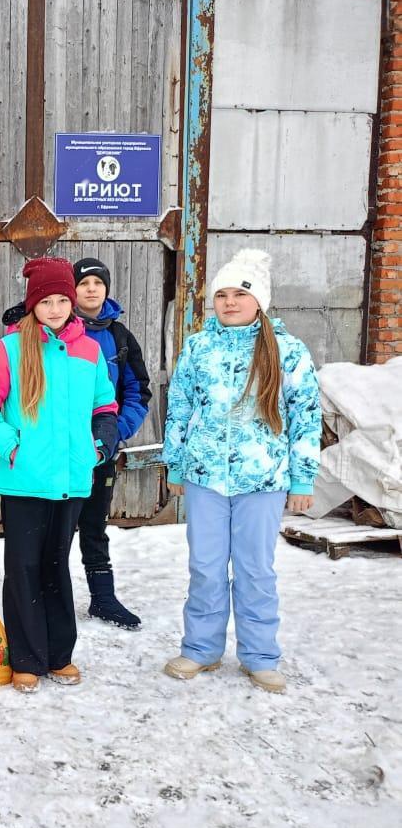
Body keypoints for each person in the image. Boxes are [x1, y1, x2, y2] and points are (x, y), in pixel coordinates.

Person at [162, 249, 321, 694]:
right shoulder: (197, 347)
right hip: (204, 478)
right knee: (206, 567)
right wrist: (176, 463)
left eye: (240, 294)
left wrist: (303, 477)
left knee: (255, 569)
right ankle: (201, 649)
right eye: (222, 295)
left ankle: (260, 655)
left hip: (263, 479)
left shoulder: (288, 351)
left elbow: (306, 415)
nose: (230, 302)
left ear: (259, 301)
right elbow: (179, 408)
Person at [0, 257, 118, 693]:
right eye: (46, 301)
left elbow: (104, 408)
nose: (54, 309)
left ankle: (59, 655)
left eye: (61, 300)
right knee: (24, 568)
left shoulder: (89, 350)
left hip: (73, 482)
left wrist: (97, 448)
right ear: (32, 304)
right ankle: (27, 658)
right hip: (25, 481)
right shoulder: (11, 349)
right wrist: (15, 447)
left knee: (58, 566)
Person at [69, 257, 152, 629]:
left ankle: (103, 598)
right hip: (59, 449)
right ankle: (45, 597)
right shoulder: (59, 331)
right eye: (84, 283)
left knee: (93, 526)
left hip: (100, 450)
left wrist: (116, 431)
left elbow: (139, 390)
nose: (91, 289)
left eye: (97, 283)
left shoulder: (119, 337)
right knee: (52, 529)